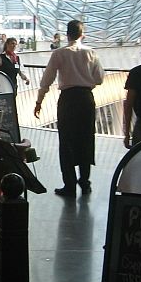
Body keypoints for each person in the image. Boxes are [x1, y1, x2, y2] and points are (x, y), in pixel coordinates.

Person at [34, 20, 104, 197]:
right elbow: (99, 79)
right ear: (82, 34)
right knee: (86, 138)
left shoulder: (59, 53)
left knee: (66, 142)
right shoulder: (91, 53)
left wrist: (39, 102)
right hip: (87, 99)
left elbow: (46, 80)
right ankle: (85, 181)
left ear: (67, 34)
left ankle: (69, 185)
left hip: (68, 100)